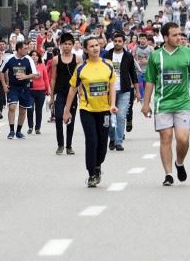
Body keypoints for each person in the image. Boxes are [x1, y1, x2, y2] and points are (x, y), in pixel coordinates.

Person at [141, 22, 190, 186]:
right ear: (166, 37)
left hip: (183, 103)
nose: (179, 37)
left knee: (183, 139)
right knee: (166, 137)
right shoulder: (156, 56)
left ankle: (179, 163)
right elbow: (149, 81)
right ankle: (168, 174)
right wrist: (145, 103)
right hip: (163, 104)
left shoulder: (188, 53)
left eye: (180, 34)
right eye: (175, 35)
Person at [63, 36, 117, 187]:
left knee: (102, 142)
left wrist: (112, 104)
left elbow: (112, 86)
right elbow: (73, 89)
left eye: (97, 45)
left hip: (105, 110)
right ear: (85, 49)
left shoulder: (108, 65)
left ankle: (98, 165)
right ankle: (91, 173)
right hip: (87, 110)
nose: (95, 48)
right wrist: (67, 111)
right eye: (91, 46)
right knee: (91, 140)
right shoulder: (81, 68)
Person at [103, 31, 138, 151]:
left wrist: (137, 92)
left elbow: (133, 74)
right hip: (109, 91)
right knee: (108, 116)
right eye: (115, 41)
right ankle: (112, 138)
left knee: (121, 116)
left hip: (124, 90)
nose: (117, 43)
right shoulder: (107, 55)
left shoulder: (128, 56)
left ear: (124, 42)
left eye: (120, 41)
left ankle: (118, 141)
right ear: (113, 42)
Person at [49, 32, 79, 155]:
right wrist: (51, 96)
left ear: (73, 45)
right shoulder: (56, 60)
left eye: (69, 44)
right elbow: (53, 78)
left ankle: (69, 146)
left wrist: (81, 93)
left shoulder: (78, 59)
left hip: (72, 93)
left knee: (70, 119)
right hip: (60, 93)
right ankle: (60, 144)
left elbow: (80, 78)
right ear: (61, 45)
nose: (67, 46)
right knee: (59, 118)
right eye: (65, 44)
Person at [1, 41, 36, 139]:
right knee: (12, 107)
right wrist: (4, 85)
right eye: (25, 48)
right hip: (13, 87)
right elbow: (1, 71)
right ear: (19, 49)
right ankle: (11, 131)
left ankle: (19, 131)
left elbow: (35, 74)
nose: (27, 50)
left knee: (23, 110)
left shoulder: (28, 59)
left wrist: (26, 76)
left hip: (25, 88)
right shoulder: (9, 59)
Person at [27, 49, 49, 135]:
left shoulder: (42, 65)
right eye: (32, 55)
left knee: (38, 110)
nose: (34, 56)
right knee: (30, 109)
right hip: (30, 91)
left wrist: (48, 89)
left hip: (41, 90)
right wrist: (31, 75)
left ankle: (37, 128)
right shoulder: (27, 65)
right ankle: (30, 126)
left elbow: (46, 78)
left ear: (38, 57)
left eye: (36, 55)